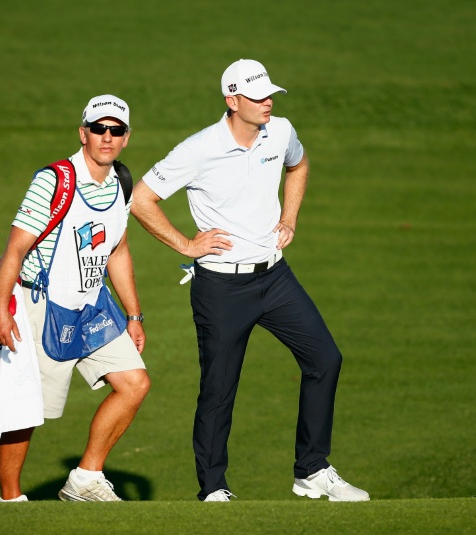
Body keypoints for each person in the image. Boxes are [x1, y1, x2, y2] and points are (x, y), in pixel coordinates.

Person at [131, 60, 369, 502]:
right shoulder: (199, 149)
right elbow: (141, 198)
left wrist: (290, 217)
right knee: (219, 392)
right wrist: (186, 245)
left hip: (275, 278)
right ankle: (214, 488)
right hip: (221, 288)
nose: (268, 102)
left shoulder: (279, 131)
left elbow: (298, 166)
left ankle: (312, 471)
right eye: (258, 96)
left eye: (269, 94)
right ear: (231, 100)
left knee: (325, 359)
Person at [0, 94, 150, 502]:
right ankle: (11, 500)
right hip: (41, 306)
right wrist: (0, 307)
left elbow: (117, 249)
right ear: (84, 133)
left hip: (93, 305)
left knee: (134, 383)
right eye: (99, 129)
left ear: (126, 137)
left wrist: (134, 315)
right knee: (26, 412)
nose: (107, 138)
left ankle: (84, 478)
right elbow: (15, 249)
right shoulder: (54, 180)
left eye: (116, 130)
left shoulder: (122, 182)